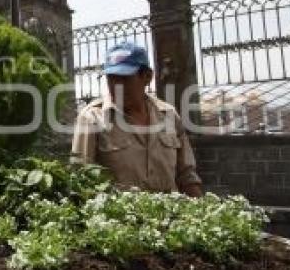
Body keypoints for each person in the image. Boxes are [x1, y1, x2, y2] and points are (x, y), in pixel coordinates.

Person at [71, 42, 203, 196]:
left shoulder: (168, 115)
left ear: (147, 77)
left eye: (124, 79)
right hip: (117, 217)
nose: (116, 86)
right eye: (111, 79)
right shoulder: (92, 118)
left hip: (170, 215)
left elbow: (187, 176)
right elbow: (81, 180)